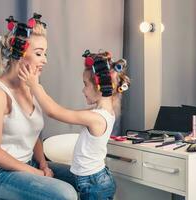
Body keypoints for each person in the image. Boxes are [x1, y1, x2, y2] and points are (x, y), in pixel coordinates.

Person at [0, 13, 77, 200]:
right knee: (66, 194)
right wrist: (35, 173)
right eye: (39, 53)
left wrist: (43, 164)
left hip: (28, 164)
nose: (45, 60)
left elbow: (34, 133)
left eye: (45, 53)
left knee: (86, 178)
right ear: (19, 54)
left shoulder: (33, 87)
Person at [18, 49, 131, 200]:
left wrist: (34, 85)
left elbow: (54, 112)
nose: (83, 90)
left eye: (85, 85)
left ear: (98, 87)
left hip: (94, 184)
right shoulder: (103, 111)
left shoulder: (96, 118)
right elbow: (64, 112)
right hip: (94, 179)